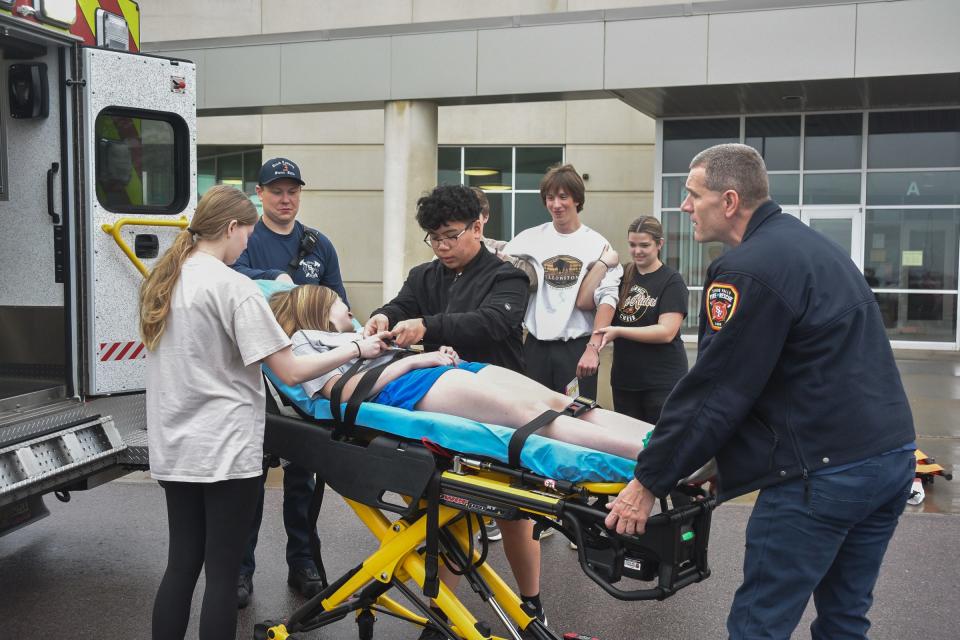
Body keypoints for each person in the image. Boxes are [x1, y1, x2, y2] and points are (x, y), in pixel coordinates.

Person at [605, 144, 916, 640]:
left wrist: (647, 483)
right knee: (844, 617)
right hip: (890, 458)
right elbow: (789, 372)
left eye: (692, 195)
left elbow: (716, 389)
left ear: (729, 201)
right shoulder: (812, 248)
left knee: (759, 625)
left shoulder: (747, 269)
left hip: (822, 474)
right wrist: (718, 463)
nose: (684, 207)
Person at [141, 185, 390, 640]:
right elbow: (291, 370)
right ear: (232, 228)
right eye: (246, 235)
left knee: (181, 566)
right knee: (220, 574)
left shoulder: (164, 280)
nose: (246, 246)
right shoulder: (233, 288)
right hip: (224, 447)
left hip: (175, 445)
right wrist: (357, 346)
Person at [361, 184, 548, 637]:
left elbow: (493, 322)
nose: (442, 247)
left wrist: (428, 325)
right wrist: (385, 316)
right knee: (446, 509)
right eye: (434, 238)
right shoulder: (425, 275)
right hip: (445, 410)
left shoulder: (508, 277)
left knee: (515, 515)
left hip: (499, 405)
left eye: (450, 236)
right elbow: (402, 303)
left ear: (479, 225)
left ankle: (531, 603)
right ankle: (442, 612)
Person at [231, 157, 347, 606]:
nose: (285, 198)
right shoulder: (245, 239)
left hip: (308, 378)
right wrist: (272, 278)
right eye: (276, 190)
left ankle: (304, 564)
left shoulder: (319, 245)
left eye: (292, 190)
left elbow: (338, 301)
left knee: (305, 478)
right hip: (256, 376)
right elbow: (229, 276)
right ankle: (240, 571)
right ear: (259, 194)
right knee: (250, 479)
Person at [503, 164, 622, 400]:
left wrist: (593, 349)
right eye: (550, 198)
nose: (556, 205)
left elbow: (608, 299)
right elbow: (499, 268)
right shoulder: (529, 238)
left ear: (577, 199)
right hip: (535, 347)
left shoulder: (596, 243)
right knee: (532, 416)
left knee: (576, 419)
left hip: (577, 349)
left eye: (563, 197)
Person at [593, 216, 689, 424]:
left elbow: (666, 332)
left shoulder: (672, 280)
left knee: (658, 444)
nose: (637, 251)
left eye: (644, 245)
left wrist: (618, 331)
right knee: (628, 445)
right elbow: (589, 302)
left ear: (659, 244)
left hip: (662, 382)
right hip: (625, 381)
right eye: (632, 245)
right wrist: (602, 264)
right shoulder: (622, 274)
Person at [470, 186, 538, 291]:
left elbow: (535, 280)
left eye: (473, 216)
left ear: (486, 217)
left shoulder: (504, 248)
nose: (467, 222)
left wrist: (498, 255)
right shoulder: (446, 254)